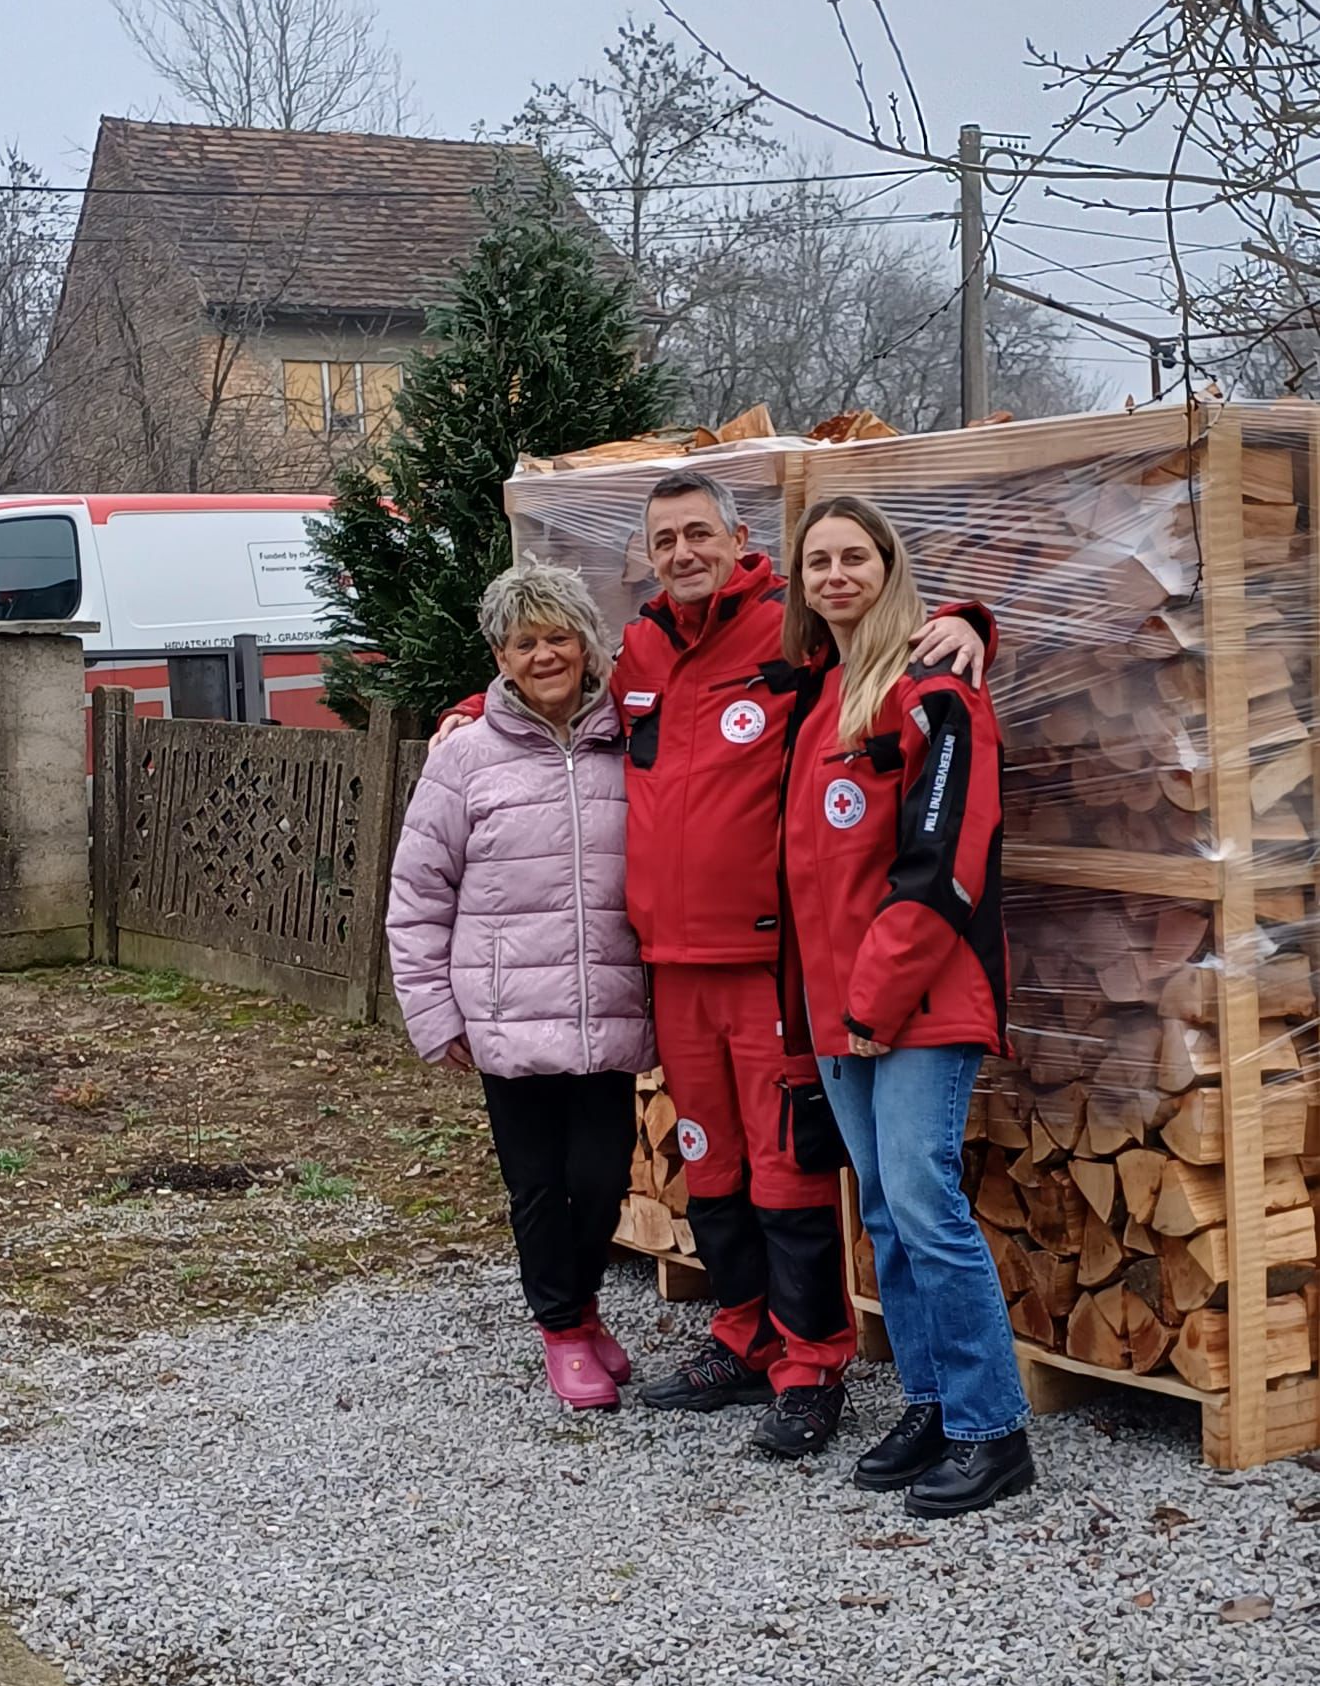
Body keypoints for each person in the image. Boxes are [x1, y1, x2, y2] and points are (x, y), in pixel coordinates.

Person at [435, 469, 991, 1460]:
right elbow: (562, 695)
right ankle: (743, 1334)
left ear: (738, 539)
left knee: (787, 1167)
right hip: (672, 964)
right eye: (665, 539)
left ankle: (810, 1362)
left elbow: (879, 628)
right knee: (711, 1160)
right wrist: (480, 704)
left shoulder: (790, 630)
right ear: (648, 555)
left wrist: (967, 619)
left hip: (769, 961)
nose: (683, 553)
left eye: (700, 533)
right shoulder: (643, 647)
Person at [777, 493, 1033, 1517]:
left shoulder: (935, 693)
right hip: (842, 1010)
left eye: (855, 557)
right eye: (818, 561)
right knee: (884, 1208)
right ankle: (931, 1403)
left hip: (919, 1000)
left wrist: (874, 1000)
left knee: (926, 1206)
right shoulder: (821, 694)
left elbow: (944, 862)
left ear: (889, 567)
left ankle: (993, 1429)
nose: (836, 575)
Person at [387, 560, 654, 1412]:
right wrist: (433, 1013)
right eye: (524, 642)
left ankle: (582, 1304)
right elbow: (418, 893)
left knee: (603, 1178)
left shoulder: (629, 741)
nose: (545, 656)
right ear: (500, 657)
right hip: (506, 1013)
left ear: (587, 645)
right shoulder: (465, 758)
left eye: (558, 637)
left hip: (607, 1005)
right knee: (539, 1184)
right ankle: (563, 1329)